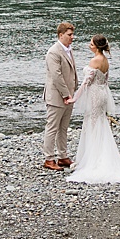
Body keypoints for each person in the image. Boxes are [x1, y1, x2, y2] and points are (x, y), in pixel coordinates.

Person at [66, 34, 120, 184]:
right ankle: (98, 155)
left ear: (97, 46)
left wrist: (74, 98)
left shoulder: (95, 60)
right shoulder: (105, 61)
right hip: (103, 92)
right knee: (100, 123)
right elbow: (105, 79)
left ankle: (94, 159)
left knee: (93, 124)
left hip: (95, 94)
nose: (89, 45)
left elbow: (86, 83)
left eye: (91, 43)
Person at [41, 21, 79, 171]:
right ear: (60, 35)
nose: (72, 37)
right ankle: (49, 158)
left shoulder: (68, 49)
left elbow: (71, 72)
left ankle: (63, 156)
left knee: (63, 127)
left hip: (69, 95)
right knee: (52, 127)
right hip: (57, 97)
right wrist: (65, 94)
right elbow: (56, 76)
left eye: (72, 34)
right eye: (69, 35)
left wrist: (73, 90)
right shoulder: (53, 52)